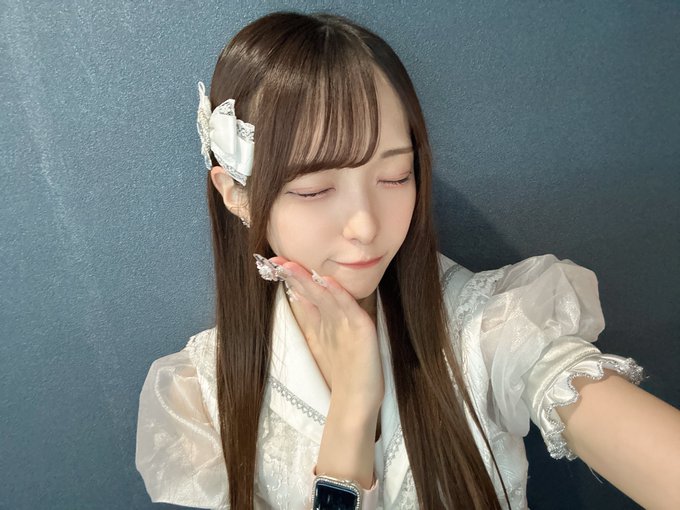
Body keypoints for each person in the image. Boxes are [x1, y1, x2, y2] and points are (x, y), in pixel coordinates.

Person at [135, 11, 680, 510]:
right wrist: (353, 408)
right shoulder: (199, 398)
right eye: (315, 189)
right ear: (237, 195)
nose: (366, 225)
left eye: (395, 176)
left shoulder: (487, 327)